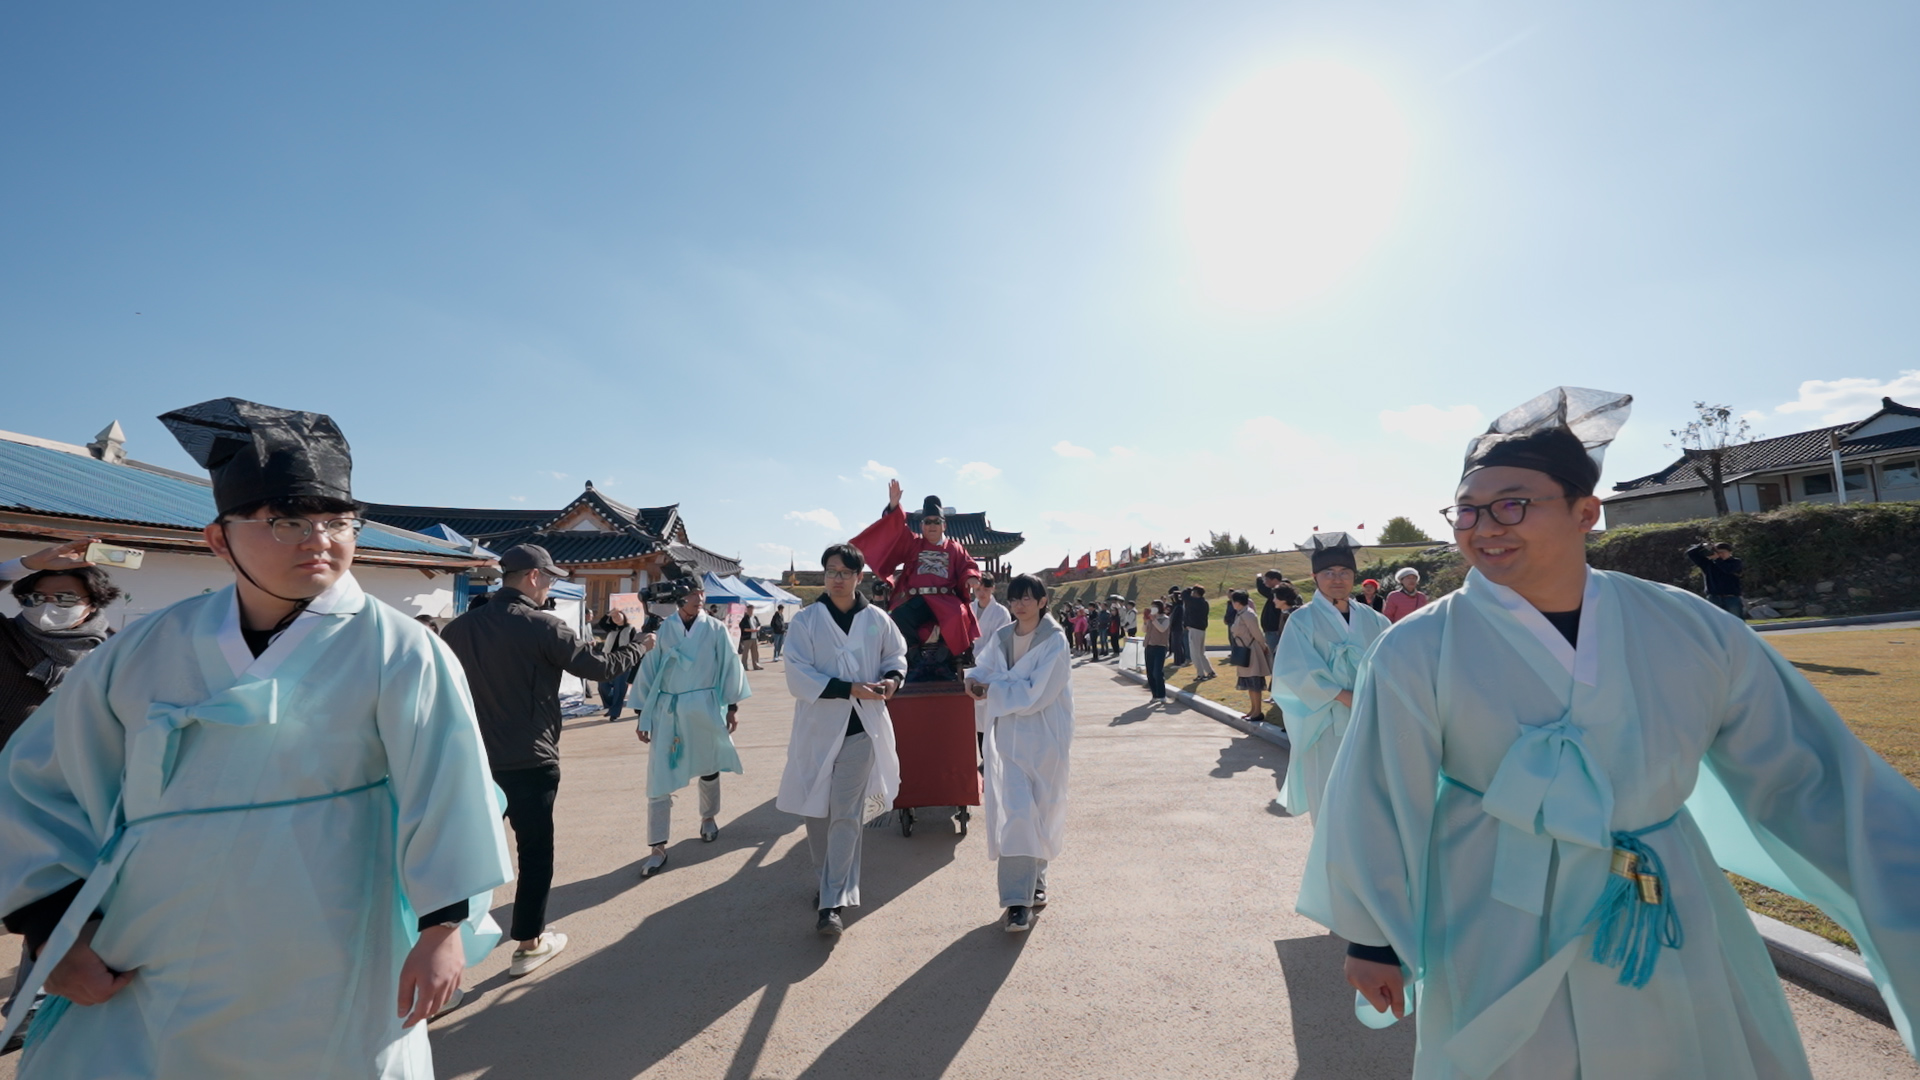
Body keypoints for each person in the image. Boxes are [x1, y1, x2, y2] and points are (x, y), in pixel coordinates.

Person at [1301, 386, 1920, 1079]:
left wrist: (1900, 867)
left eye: (1512, 504)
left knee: (1686, 1050)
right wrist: (1374, 938)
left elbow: (1808, 773)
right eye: (1466, 510)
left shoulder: (1690, 625)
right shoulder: (1418, 647)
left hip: (1663, 890)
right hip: (1498, 897)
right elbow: (1382, 791)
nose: (1484, 526)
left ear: (1586, 512)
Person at [0, 397, 512, 1073]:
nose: (319, 540)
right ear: (219, 539)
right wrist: (51, 927)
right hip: (155, 950)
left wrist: (445, 925)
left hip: (333, 944)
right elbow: (42, 783)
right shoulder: (143, 650)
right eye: (287, 521)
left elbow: (451, 792)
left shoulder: (399, 650)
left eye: (338, 522)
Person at [442, 543, 648, 975]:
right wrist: (641, 646)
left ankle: (443, 959)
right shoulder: (544, 626)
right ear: (534, 577)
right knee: (534, 851)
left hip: (472, 760)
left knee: (460, 856)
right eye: (550, 578)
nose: (550, 586)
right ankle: (529, 943)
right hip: (530, 758)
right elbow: (598, 667)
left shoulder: (457, 630)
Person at [0, 539, 121, 1049]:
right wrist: (30, 564)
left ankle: (24, 1015)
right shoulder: (6, 641)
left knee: (52, 908)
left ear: (94, 601)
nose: (48, 610)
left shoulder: (118, 655)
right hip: (4, 798)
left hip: (70, 805)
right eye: (36, 598)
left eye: (65, 598)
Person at [777, 544, 906, 937]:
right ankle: (827, 878)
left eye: (844, 572)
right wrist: (848, 687)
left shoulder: (876, 619)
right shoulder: (807, 621)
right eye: (830, 570)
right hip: (818, 728)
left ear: (859, 576)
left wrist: (890, 680)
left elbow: (896, 656)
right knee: (817, 812)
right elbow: (797, 675)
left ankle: (833, 900)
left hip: (862, 729)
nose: (836, 578)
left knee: (847, 813)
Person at [966, 574, 1073, 933]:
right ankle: (1017, 901)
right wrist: (973, 680)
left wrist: (992, 686)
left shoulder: (1055, 642)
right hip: (1009, 740)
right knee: (1017, 814)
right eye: (1015, 599)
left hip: (1046, 740)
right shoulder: (1002, 637)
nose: (1020, 605)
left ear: (1043, 601)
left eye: (1028, 598)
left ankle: (1036, 881)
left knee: (1042, 812)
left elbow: (1034, 695)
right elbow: (984, 668)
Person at [631, 579, 751, 876]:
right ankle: (657, 845)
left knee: (709, 765)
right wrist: (641, 714)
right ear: (677, 599)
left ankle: (708, 817)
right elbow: (649, 669)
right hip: (668, 708)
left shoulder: (715, 628)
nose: (699, 598)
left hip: (705, 704)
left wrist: (732, 706)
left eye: (701, 592)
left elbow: (729, 665)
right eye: (691, 594)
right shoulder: (662, 629)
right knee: (659, 775)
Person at [1271, 534, 1390, 824]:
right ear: (1315, 577)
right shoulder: (1302, 620)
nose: (1337, 579)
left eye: (1345, 573)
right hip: (1326, 720)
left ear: (1354, 577)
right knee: (1330, 796)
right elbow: (1294, 670)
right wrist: (1344, 695)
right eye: (1329, 573)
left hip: (1369, 717)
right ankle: (1331, 862)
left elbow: (1392, 661)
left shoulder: (1374, 619)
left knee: (1371, 797)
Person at [848, 481, 981, 680]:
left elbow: (967, 565)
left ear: (944, 525)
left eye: (936, 521)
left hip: (945, 600)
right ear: (922, 525)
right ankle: (912, 655)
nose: (932, 526)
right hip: (916, 599)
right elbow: (895, 532)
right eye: (928, 522)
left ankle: (947, 654)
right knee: (899, 615)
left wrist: (970, 576)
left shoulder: (955, 548)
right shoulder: (914, 544)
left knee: (958, 614)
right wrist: (893, 506)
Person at [968, 575, 1012, 758]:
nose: (981, 593)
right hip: (972, 667)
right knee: (977, 717)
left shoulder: (1001, 613)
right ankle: (984, 757)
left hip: (992, 667)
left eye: (985, 589)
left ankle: (996, 757)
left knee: (992, 714)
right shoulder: (968, 609)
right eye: (978, 589)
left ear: (993, 589)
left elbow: (1002, 642)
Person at [1227, 590, 1275, 722]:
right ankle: (1253, 709)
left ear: (1237, 602)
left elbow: (1257, 633)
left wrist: (1264, 646)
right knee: (1249, 683)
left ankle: (1257, 711)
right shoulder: (1241, 614)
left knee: (1254, 683)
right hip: (1244, 649)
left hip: (1251, 651)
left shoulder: (1248, 614)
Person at [591, 608, 639, 721]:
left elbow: (635, 645)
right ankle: (610, 706)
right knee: (603, 686)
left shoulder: (631, 629)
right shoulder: (612, 628)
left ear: (624, 616)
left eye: (618, 616)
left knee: (620, 688)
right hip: (608, 659)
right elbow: (601, 623)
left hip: (623, 661)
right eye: (614, 617)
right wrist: (608, 614)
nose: (616, 618)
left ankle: (614, 713)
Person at [1687, 541, 1746, 619]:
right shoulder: (1708, 563)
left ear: (1730, 552)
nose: (1720, 554)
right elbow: (1691, 553)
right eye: (1718, 552)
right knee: (1714, 621)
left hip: (1731, 597)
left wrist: (1717, 559)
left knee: (1736, 621)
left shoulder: (1736, 562)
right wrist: (1702, 545)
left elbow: (1728, 570)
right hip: (1714, 597)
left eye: (1723, 552)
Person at [1142, 600, 1172, 704]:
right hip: (1149, 646)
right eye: (1152, 607)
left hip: (1160, 647)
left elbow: (1162, 629)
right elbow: (1144, 630)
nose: (1153, 609)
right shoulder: (1151, 619)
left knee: (1157, 672)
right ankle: (1154, 695)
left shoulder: (1165, 619)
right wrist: (1146, 621)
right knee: (1150, 672)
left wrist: (1154, 620)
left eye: (1154, 607)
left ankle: (1162, 695)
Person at [1183, 586, 1216, 680]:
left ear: (1196, 592)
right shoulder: (1204, 602)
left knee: (1195, 654)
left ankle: (1200, 674)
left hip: (1195, 629)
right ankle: (1210, 671)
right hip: (1201, 629)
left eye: (1193, 592)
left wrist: (1188, 589)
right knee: (1201, 653)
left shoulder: (1195, 602)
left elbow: (1184, 595)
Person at [1166, 587, 1188, 668]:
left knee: (1177, 646)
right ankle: (1180, 660)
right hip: (1176, 628)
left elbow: (1175, 619)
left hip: (1177, 628)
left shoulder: (1179, 607)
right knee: (1177, 645)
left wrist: (1170, 625)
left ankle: (1178, 662)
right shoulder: (1177, 606)